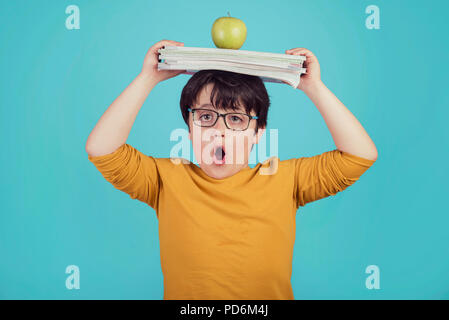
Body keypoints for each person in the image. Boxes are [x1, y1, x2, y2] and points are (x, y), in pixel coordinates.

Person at [86, 39, 378, 300]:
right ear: (189, 128)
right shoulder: (165, 180)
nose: (219, 131)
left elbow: (360, 155)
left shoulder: (287, 180)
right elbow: (101, 149)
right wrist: (146, 79)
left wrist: (314, 88)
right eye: (206, 116)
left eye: (236, 119)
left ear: (258, 132)